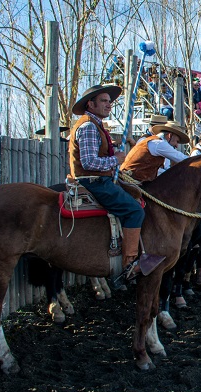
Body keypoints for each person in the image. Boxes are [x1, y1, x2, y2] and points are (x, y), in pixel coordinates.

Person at [68, 84, 159, 277]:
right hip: (93, 181)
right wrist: (116, 160)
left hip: (99, 179)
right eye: (103, 101)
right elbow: (89, 161)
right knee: (134, 211)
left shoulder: (95, 125)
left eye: (109, 101)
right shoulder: (88, 127)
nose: (109, 105)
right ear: (90, 104)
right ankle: (128, 264)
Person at [121, 121, 189, 183]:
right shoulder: (159, 144)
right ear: (169, 135)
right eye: (177, 141)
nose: (176, 145)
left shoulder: (153, 141)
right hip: (130, 181)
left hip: (132, 179)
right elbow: (182, 159)